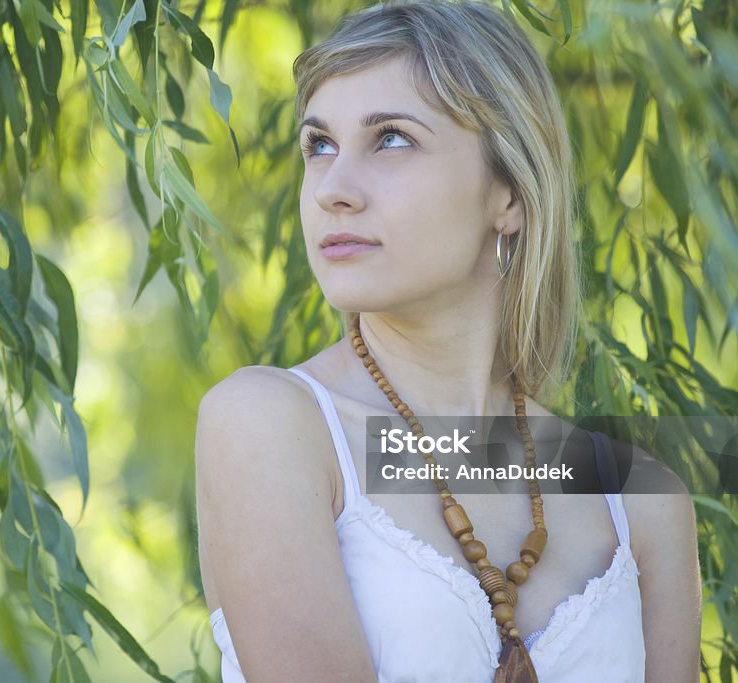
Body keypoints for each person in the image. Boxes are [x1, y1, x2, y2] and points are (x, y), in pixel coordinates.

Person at [194, 2, 701, 681]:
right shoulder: (272, 424)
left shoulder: (641, 501)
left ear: (509, 192)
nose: (332, 190)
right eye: (319, 145)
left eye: (392, 138)